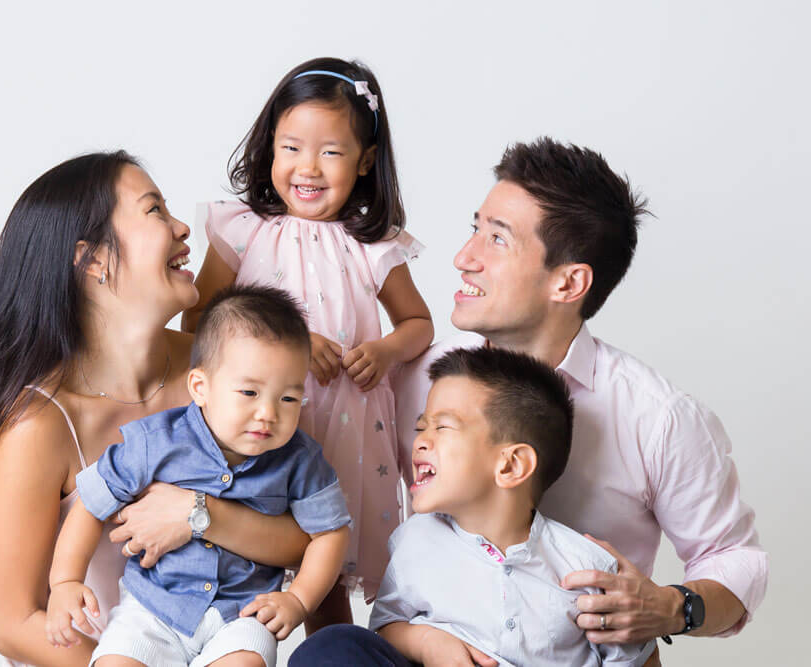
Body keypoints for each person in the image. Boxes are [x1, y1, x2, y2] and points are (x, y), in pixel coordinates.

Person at [388, 138, 767, 662]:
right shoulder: (412, 379)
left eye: (497, 239)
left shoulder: (658, 417)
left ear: (569, 283)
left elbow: (732, 558)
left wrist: (672, 607)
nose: (463, 258)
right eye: (475, 228)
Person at [0, 152, 314, 666]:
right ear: (94, 260)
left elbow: (306, 539)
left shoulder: (228, 377)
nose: (182, 227)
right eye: (154, 210)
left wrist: (197, 515)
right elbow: (12, 623)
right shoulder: (40, 424)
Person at [183, 57, 434, 630]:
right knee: (240, 564)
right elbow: (197, 320)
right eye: (291, 147)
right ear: (270, 146)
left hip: (342, 427)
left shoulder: (373, 244)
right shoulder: (243, 230)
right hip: (253, 425)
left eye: (332, 152)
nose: (308, 168)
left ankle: (336, 656)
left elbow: (418, 323)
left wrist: (386, 351)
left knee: (324, 571)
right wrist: (289, 342)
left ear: (365, 160)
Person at [45, 284, 352, 667]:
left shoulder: (300, 459)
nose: (268, 413)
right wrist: (65, 581)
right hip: (153, 610)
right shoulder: (156, 441)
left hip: (241, 615)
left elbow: (330, 533)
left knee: (244, 662)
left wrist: (298, 599)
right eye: (249, 393)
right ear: (200, 387)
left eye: (288, 398)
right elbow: (92, 503)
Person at [296, 346, 655, 666]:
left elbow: (638, 656)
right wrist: (427, 642)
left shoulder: (587, 568)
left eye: (442, 427)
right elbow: (388, 627)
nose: (420, 442)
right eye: (421, 427)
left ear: (510, 465)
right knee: (332, 646)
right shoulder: (414, 541)